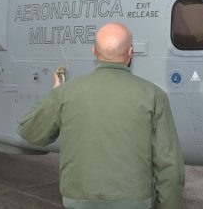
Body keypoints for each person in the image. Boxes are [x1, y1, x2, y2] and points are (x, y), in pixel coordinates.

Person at [17, 22, 185, 209]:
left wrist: (54, 94)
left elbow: (29, 131)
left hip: (78, 201)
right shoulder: (154, 95)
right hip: (133, 202)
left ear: (94, 52)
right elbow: (170, 166)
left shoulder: (65, 93)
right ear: (130, 53)